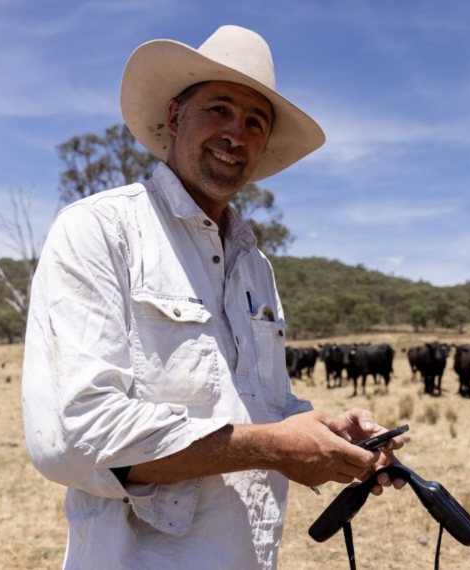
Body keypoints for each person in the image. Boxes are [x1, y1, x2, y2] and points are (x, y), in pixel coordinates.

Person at [21, 25, 404, 570]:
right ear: (174, 119)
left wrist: (330, 431)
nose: (236, 134)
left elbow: (261, 406)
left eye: (255, 122)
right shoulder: (100, 232)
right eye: (219, 110)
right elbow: (76, 437)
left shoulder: (255, 267)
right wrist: (273, 447)